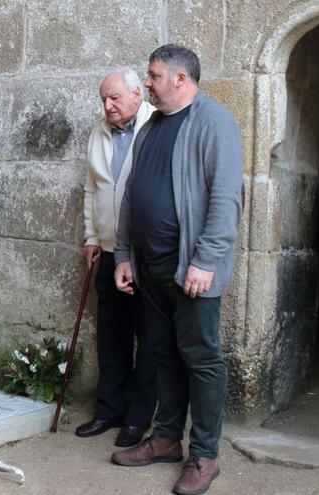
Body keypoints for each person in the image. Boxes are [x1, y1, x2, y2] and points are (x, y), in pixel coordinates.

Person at [111, 45, 243, 495]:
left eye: (153, 75)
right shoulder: (151, 126)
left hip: (191, 267)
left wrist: (205, 261)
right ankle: (166, 439)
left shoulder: (215, 123)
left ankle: (204, 456)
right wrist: (125, 253)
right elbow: (132, 196)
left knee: (202, 358)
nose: (147, 83)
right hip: (150, 265)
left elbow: (226, 200)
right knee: (162, 351)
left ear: (181, 80)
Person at [76, 69, 157, 448]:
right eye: (103, 100)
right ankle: (108, 410)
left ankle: (138, 418)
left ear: (138, 95)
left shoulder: (155, 126)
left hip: (144, 254)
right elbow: (93, 188)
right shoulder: (100, 131)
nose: (107, 106)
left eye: (114, 99)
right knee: (112, 335)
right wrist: (92, 236)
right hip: (108, 251)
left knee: (149, 337)